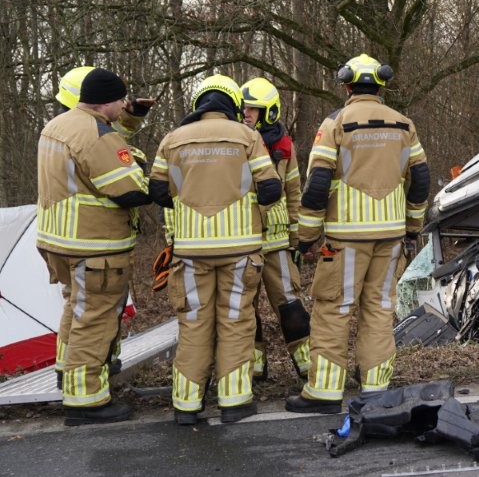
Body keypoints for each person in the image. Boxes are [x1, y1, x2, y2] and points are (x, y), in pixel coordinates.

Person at [286, 54, 429, 414]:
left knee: (334, 310)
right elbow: (421, 179)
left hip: (345, 238)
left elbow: (317, 183)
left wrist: (307, 236)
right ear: (380, 86)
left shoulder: (336, 123)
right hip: (391, 236)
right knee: (379, 310)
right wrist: (413, 227)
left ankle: (324, 391)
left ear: (347, 85)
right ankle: (376, 388)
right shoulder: (403, 124)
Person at [148, 74, 282, 424]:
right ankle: (234, 401)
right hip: (240, 248)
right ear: (233, 105)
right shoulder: (247, 137)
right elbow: (271, 189)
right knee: (236, 321)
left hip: (191, 251)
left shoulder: (172, 139)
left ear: (198, 104)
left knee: (193, 323)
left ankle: (187, 405)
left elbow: (158, 192)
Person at [36, 68, 151, 425]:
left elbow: (95, 156)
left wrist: (130, 122)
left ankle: (67, 374)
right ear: (107, 102)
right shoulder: (98, 135)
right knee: (96, 318)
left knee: (75, 308)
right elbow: (130, 189)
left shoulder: (58, 125)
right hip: (95, 244)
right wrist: (142, 167)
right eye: (121, 101)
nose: (123, 106)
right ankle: (85, 400)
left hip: (59, 241)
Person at [240, 77, 311, 380]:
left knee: (289, 303)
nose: (246, 113)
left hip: (277, 241)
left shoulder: (284, 145)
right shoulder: (235, 141)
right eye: (244, 108)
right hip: (243, 239)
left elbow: (294, 191)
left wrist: (297, 239)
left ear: (269, 112)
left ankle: (308, 364)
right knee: (245, 307)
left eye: (253, 109)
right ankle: (255, 366)